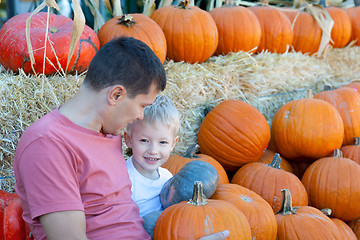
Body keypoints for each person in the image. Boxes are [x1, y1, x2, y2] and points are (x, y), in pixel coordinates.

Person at [13, 36, 229, 240]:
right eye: (142, 106)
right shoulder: (48, 144)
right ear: (116, 95)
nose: (141, 116)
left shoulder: (108, 132)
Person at [124, 94, 179, 217]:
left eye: (163, 142)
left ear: (173, 144)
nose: (153, 150)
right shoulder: (124, 180)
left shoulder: (167, 178)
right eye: (144, 140)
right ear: (128, 139)